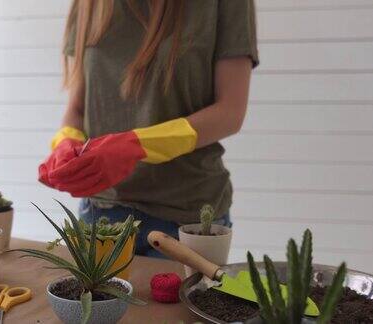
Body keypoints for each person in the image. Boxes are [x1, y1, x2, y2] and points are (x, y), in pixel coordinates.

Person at [39, 0, 259, 257]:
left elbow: (229, 113)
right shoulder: (89, 4)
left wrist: (136, 145)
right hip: (101, 214)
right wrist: (67, 142)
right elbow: (77, 109)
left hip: (187, 220)